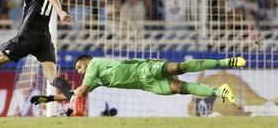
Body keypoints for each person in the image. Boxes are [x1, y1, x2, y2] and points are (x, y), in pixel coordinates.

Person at [30, 55, 246, 115]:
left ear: (86, 61)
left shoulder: (94, 65)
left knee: (181, 67)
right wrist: (49, 98)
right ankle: (219, 91)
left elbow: (78, 92)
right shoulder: (93, 80)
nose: (79, 71)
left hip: (144, 69)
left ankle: (224, 62)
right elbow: (76, 95)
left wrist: (63, 90)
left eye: (79, 67)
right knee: (182, 88)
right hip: (145, 85)